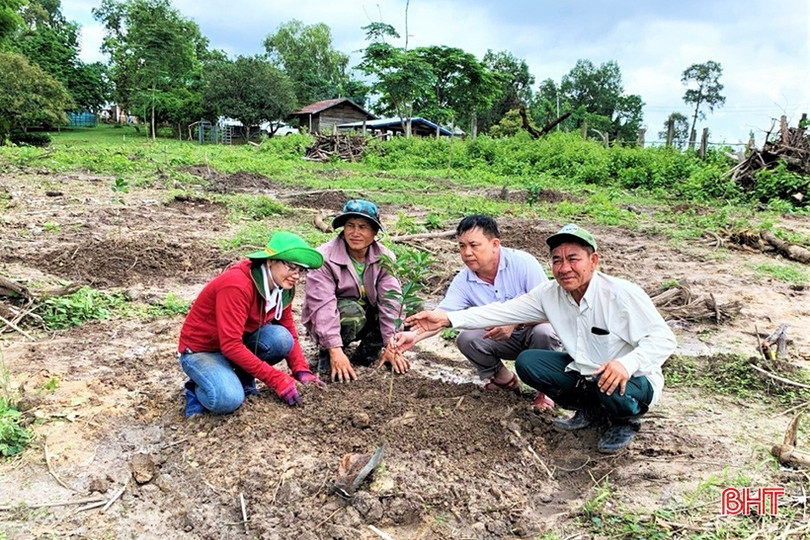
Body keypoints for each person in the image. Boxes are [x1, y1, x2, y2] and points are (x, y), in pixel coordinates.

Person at [404, 223, 677, 453]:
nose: (564, 267)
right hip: (586, 374)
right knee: (529, 363)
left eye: (573, 259)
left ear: (593, 261)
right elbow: (501, 311)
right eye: (557, 260)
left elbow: (664, 339)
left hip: (634, 379)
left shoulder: (621, 294)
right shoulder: (549, 294)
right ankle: (590, 411)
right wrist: (447, 319)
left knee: (611, 380)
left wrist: (626, 364)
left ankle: (624, 420)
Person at [394, 215, 560, 408]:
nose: (467, 253)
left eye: (474, 245)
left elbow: (550, 309)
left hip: (533, 334)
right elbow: (441, 317)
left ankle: (545, 391)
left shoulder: (524, 264)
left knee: (545, 332)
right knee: (467, 338)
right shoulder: (464, 280)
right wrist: (412, 336)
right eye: (462, 246)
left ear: (495, 244)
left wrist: (515, 322)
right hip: (500, 339)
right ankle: (504, 380)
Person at [178, 231, 326, 416]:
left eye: (301, 270)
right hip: (203, 350)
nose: (296, 275)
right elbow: (230, 345)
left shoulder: (281, 286)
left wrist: (301, 370)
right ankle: (196, 387)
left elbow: (288, 328)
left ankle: (238, 376)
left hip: (236, 344)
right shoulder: (237, 284)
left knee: (281, 338)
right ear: (270, 260)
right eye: (291, 266)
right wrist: (277, 379)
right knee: (226, 399)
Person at [302, 199, 409, 383]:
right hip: (334, 319)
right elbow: (322, 306)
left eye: (363, 227)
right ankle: (328, 354)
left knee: (405, 308)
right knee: (351, 311)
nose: (355, 233)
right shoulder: (323, 258)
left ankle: (366, 355)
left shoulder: (385, 258)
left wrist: (392, 345)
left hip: (365, 316)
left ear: (375, 232)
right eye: (350, 225)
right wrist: (334, 349)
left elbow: (391, 302)